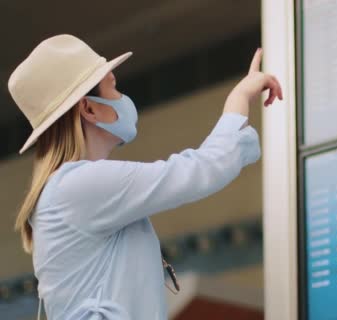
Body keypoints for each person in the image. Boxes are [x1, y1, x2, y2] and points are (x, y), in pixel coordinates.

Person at [7, 34, 283, 320]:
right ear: (88, 108)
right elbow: (202, 169)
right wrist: (239, 97)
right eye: (113, 87)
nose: (122, 98)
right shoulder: (78, 185)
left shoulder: (66, 190)